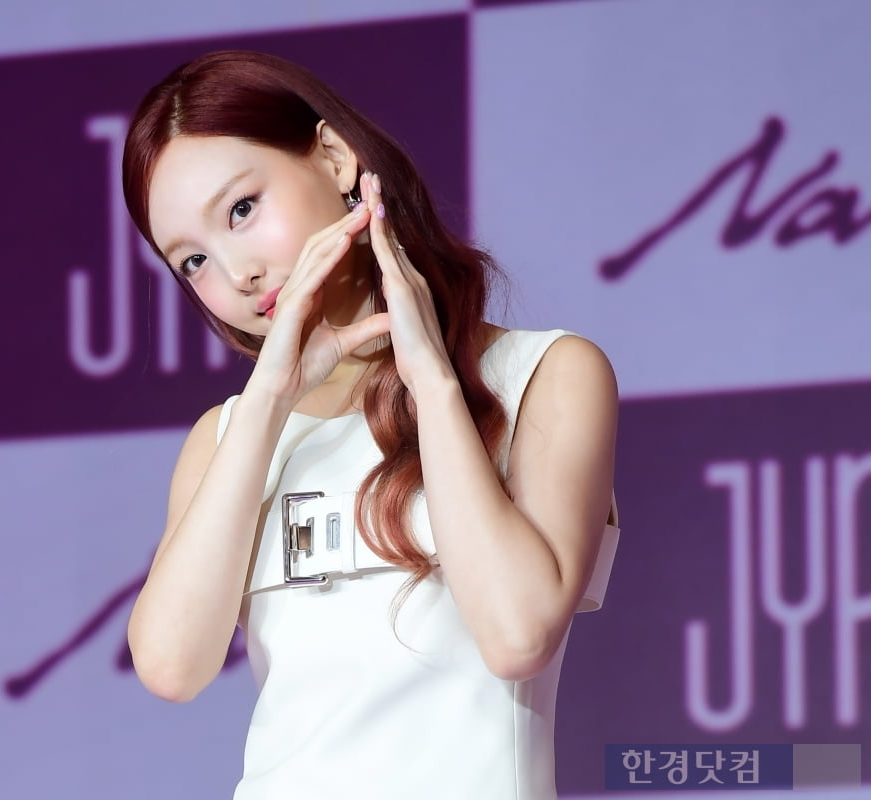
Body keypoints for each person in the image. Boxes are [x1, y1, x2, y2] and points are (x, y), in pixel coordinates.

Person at [121, 50, 620, 799]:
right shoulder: (225, 438)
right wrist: (269, 401)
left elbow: (518, 636)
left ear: (334, 158)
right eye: (192, 261)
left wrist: (434, 385)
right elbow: (171, 668)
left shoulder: (545, 374)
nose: (236, 274)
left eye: (242, 209)